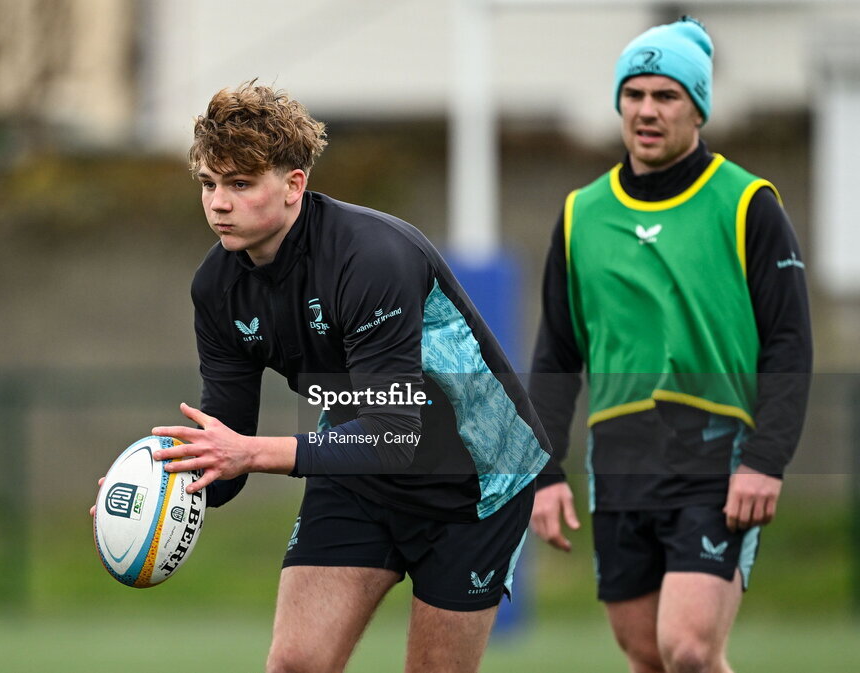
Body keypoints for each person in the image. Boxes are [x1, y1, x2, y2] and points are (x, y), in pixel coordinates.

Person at [145, 82, 550, 673]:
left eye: (239, 184)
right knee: (295, 664)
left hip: (472, 485)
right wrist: (154, 485)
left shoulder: (369, 258)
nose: (218, 204)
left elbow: (394, 433)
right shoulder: (216, 287)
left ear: (293, 186)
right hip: (360, 472)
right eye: (209, 184)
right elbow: (225, 458)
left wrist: (252, 455)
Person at [528, 16, 812, 673]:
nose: (647, 110)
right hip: (619, 452)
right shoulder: (580, 214)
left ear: (698, 108)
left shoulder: (747, 204)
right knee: (646, 652)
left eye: (667, 95)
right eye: (635, 94)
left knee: (688, 647)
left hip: (716, 447)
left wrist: (766, 458)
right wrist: (544, 472)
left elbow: (790, 343)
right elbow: (556, 358)